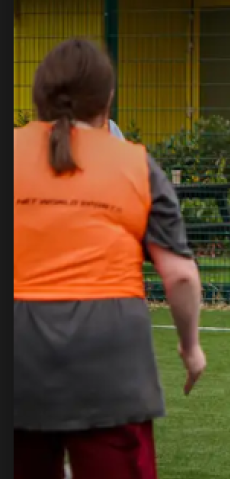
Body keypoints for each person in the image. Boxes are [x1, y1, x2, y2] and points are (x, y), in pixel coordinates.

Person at [13, 38, 206, 479]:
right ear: (107, 100)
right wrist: (190, 348)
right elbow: (179, 277)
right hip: (112, 356)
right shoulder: (135, 164)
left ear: (38, 97)